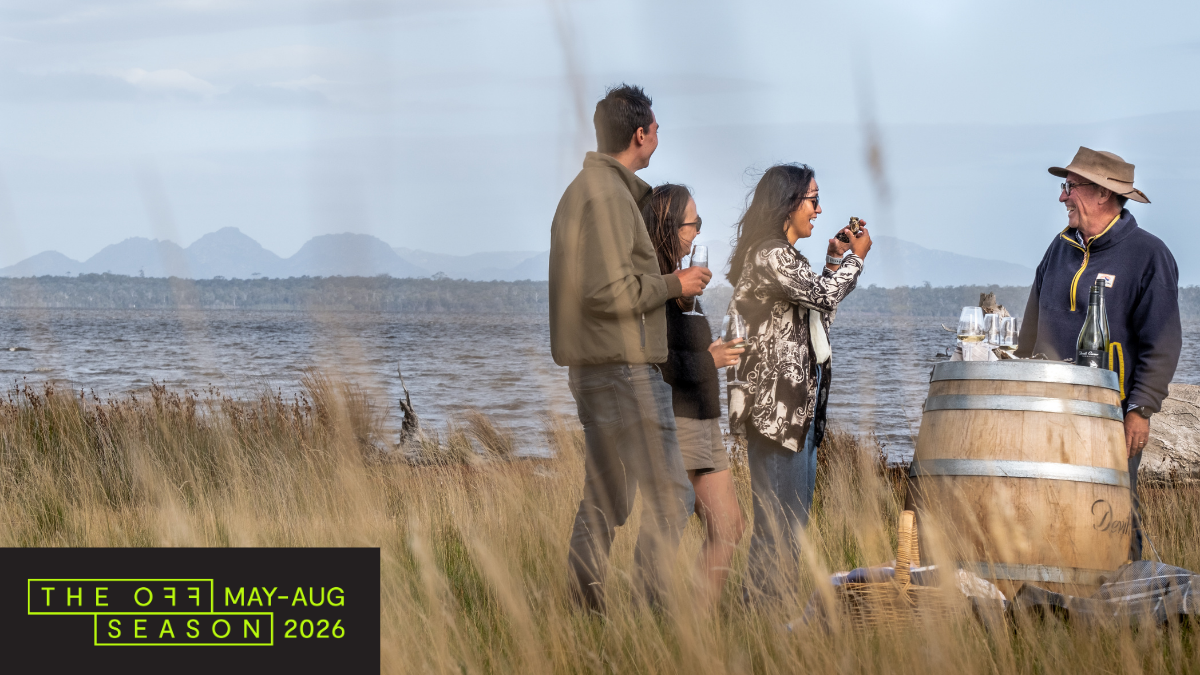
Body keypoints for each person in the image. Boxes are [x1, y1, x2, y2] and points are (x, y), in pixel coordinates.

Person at [548, 84, 712, 611]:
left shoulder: (599, 191)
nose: (659, 136)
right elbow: (603, 292)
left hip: (599, 370)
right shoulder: (606, 197)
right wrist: (674, 284)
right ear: (640, 134)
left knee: (607, 498)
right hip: (621, 372)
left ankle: (583, 610)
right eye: (657, 128)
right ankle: (651, 612)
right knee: (672, 498)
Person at [1016, 147, 1181, 561]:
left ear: (1103, 194)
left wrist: (1140, 408)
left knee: (1113, 512)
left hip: (1111, 413)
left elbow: (1161, 342)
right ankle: (1057, 603)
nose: (1062, 197)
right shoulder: (1058, 249)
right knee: (1047, 506)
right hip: (1049, 410)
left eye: (1069, 187)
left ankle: (1130, 605)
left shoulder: (1149, 255)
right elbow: (1031, 329)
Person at [724, 163, 871, 600]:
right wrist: (855, 259)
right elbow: (825, 296)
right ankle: (760, 621)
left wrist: (831, 262)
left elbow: (816, 314)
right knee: (778, 531)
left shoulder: (785, 258)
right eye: (813, 200)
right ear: (789, 204)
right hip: (775, 414)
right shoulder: (770, 255)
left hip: (797, 413)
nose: (820, 209)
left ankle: (771, 623)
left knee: (792, 529)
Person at [642, 183, 747, 606]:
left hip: (704, 420)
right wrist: (713, 361)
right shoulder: (656, 285)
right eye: (693, 224)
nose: (697, 233)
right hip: (679, 419)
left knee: (730, 527)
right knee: (671, 524)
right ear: (670, 228)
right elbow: (658, 363)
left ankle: (697, 624)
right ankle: (656, 616)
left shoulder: (683, 286)